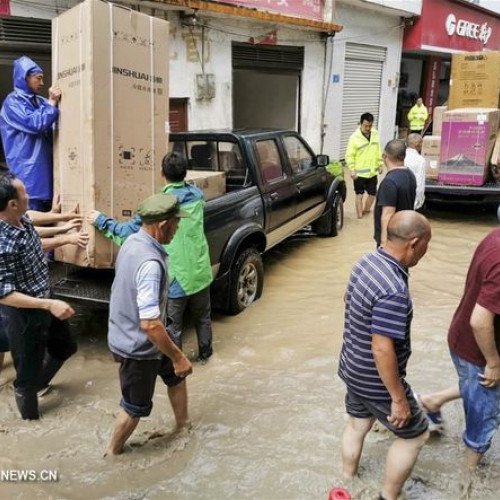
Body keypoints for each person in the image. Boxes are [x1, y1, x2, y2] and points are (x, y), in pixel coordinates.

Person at [338, 210, 432, 500]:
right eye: (427, 245)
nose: (426, 252)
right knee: (416, 434)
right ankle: (388, 496)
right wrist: (398, 399)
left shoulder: (366, 261)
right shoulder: (393, 289)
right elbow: (382, 347)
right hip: (374, 376)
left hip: (351, 365)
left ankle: (346, 480)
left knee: (358, 423)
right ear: (414, 243)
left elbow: (348, 300)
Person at [89, 152, 214, 362]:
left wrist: (99, 220)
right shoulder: (198, 195)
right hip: (201, 271)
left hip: (177, 279)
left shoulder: (160, 207)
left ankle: (178, 367)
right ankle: (206, 357)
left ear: (161, 173)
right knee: (203, 318)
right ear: (186, 172)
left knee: (173, 327)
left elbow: (128, 234)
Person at [106, 192, 193, 456]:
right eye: (176, 223)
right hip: (140, 347)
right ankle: (112, 454)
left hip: (144, 336)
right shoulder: (150, 264)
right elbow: (150, 324)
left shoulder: (133, 241)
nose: (177, 229)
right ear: (163, 225)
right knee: (134, 409)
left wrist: (176, 359)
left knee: (178, 377)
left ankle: (183, 427)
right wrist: (178, 355)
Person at [418, 227, 500, 479]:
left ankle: (434, 400)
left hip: (463, 336)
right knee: (483, 414)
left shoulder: (494, 235)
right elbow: (480, 321)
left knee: (477, 386)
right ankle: (468, 477)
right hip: (478, 347)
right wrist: (493, 362)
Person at [0, 173, 78, 420]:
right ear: (12, 204)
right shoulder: (2, 242)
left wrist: (65, 227)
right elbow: (4, 294)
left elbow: (33, 241)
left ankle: (39, 383)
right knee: (25, 376)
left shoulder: (21, 219)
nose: (29, 196)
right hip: (26, 314)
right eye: (24, 193)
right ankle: (30, 421)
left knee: (65, 347)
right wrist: (49, 303)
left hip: (46, 297)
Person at [0, 56, 61, 211]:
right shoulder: (12, 102)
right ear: (24, 77)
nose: (42, 83)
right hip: (28, 174)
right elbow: (35, 124)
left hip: (45, 173)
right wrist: (52, 102)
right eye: (38, 78)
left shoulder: (40, 102)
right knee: (31, 219)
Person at [374, 140, 416, 248]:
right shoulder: (410, 175)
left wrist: (384, 244)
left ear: (384, 155)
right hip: (405, 236)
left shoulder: (389, 182)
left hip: (392, 242)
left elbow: (388, 214)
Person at [345, 113, 383, 219]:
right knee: (359, 194)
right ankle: (359, 217)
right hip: (359, 173)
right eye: (365, 125)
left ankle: (366, 210)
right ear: (360, 123)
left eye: (370, 126)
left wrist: (380, 164)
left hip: (372, 172)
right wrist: (352, 170)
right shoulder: (354, 138)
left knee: (372, 194)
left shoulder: (375, 134)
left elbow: (378, 150)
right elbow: (349, 155)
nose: (368, 128)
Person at [404, 134, 426, 210]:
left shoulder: (400, 156)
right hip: (411, 198)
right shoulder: (420, 160)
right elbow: (420, 183)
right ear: (418, 145)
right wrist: (419, 202)